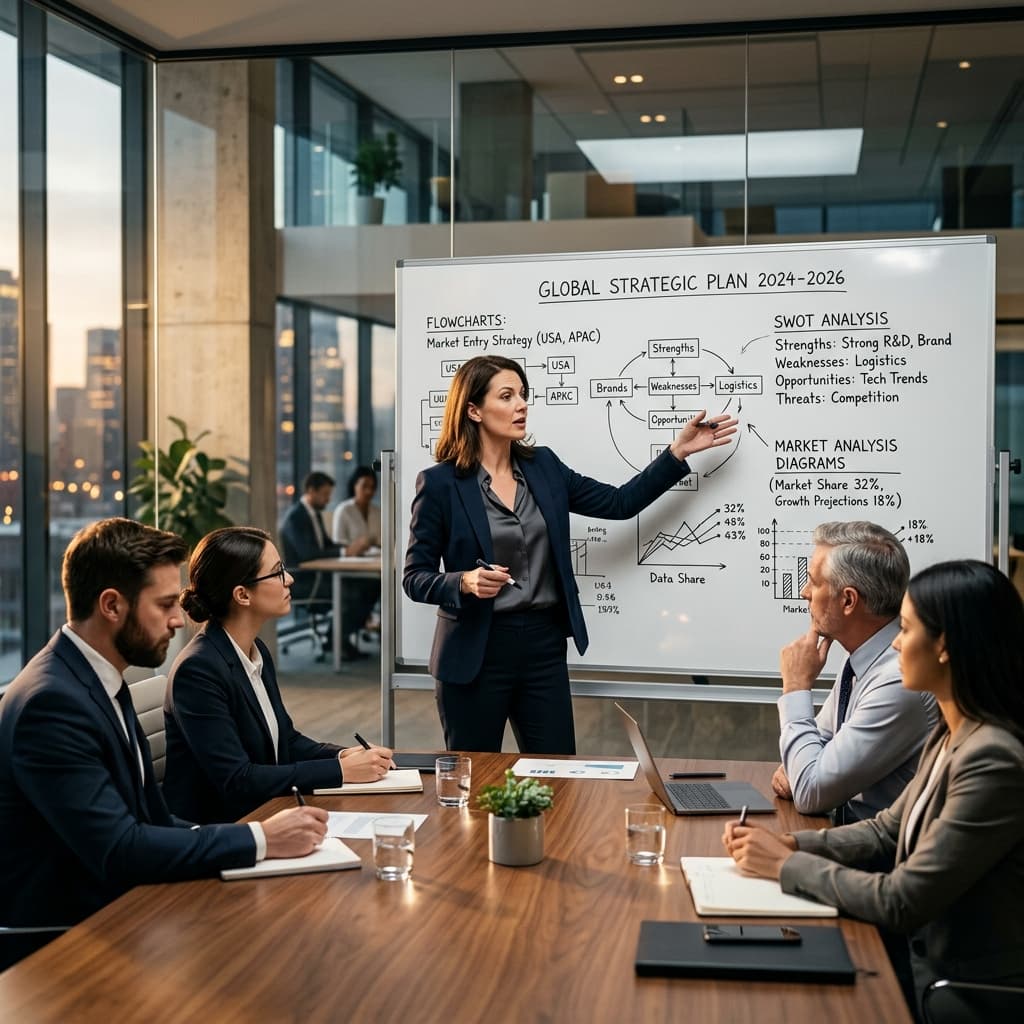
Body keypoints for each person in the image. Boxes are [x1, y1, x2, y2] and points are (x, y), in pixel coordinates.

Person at [0, 518, 327, 969]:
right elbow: (120, 849)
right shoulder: (53, 703)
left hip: (123, 908)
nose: (179, 618)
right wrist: (260, 838)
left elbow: (149, 817)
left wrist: (252, 840)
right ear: (112, 605)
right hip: (67, 945)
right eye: (165, 604)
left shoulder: (93, 678)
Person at [724, 560, 1024, 1020]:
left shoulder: (993, 759)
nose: (898, 643)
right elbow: (886, 830)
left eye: (906, 629)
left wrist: (787, 865)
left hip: (954, 992)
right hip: (914, 961)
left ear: (944, 646)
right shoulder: (953, 734)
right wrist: (792, 842)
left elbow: (901, 900)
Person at [403, 354, 738, 754]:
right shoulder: (441, 483)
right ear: (473, 409)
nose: (522, 405)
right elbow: (414, 577)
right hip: (477, 651)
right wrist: (465, 581)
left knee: (559, 774)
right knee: (474, 780)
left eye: (523, 395)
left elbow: (618, 503)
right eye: (507, 396)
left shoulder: (543, 465)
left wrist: (676, 453)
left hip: (542, 646)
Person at [163, 526, 393, 824]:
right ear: (242, 595)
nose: (290, 579)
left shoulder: (254, 649)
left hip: (264, 811)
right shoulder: (198, 671)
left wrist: (343, 756)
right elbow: (237, 779)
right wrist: (340, 772)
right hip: (225, 830)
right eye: (277, 572)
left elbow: (286, 741)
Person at [773, 521, 938, 823]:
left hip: (881, 856)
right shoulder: (862, 658)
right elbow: (815, 752)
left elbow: (810, 790)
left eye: (813, 582)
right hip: (851, 838)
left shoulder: (898, 679)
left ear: (848, 600)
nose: (803, 592)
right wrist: (804, 770)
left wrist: (796, 687)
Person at [280, 470, 353, 654]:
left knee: (365, 587)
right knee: (354, 591)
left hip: (318, 576)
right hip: (304, 580)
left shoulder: (314, 514)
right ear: (311, 491)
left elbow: (325, 544)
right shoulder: (296, 517)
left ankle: (338, 639)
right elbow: (307, 554)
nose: (328, 500)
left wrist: (348, 548)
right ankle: (336, 642)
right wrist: (345, 551)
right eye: (325, 495)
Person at [332, 464, 382, 652]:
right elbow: (338, 547)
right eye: (364, 486)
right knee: (368, 589)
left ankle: (343, 635)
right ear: (354, 486)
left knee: (384, 586)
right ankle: (338, 637)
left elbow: (384, 541)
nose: (369, 491)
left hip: (374, 567)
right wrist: (358, 546)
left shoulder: (377, 511)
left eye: (372, 487)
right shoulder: (343, 511)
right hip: (349, 570)